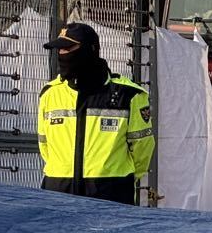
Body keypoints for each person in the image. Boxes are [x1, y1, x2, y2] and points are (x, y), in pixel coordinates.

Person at [36, 22, 154, 205]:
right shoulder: (50, 94)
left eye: (68, 48)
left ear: (90, 50)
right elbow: (45, 148)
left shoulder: (129, 95)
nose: (62, 54)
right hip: (57, 195)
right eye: (59, 49)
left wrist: (116, 180)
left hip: (110, 197)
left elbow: (142, 151)